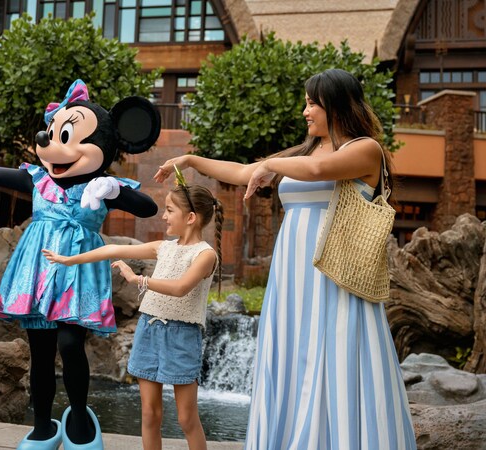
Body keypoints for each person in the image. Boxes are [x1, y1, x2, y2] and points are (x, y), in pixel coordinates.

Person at [155, 68, 416, 449]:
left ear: (337, 105)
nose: (305, 111)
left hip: (335, 277)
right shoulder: (305, 150)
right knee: (294, 361)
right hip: (291, 280)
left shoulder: (365, 149)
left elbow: (317, 171)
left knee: (337, 359)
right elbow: (245, 171)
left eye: (313, 103)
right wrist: (193, 160)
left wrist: (270, 165)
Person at [0, 79, 160, 449]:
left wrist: (114, 190)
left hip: (78, 269)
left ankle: (78, 419)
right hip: (38, 268)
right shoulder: (38, 179)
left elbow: (148, 207)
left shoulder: (101, 186)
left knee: (72, 343)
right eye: (53, 134)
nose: (52, 144)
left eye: (68, 136)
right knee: (40, 349)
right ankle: (43, 426)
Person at [43, 182, 222, 450]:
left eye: (170, 210)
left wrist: (138, 279)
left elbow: (181, 288)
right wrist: (69, 260)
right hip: (149, 329)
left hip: (182, 335)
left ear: (191, 218)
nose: (163, 215)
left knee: (186, 418)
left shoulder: (206, 255)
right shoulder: (164, 246)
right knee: (150, 413)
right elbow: (112, 249)